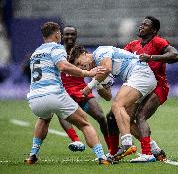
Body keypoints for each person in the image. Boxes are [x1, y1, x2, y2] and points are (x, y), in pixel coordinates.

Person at [24, 22, 111, 165]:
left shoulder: (36, 52)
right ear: (57, 34)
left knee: (44, 119)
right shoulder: (57, 48)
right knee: (84, 123)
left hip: (34, 98)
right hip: (54, 93)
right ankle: (102, 157)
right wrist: (86, 72)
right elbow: (63, 66)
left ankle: (32, 155)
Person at [107, 16, 178, 162]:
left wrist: (151, 57)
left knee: (141, 116)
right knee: (122, 118)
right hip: (139, 86)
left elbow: (175, 55)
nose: (141, 26)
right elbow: (119, 58)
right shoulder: (133, 45)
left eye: (146, 25)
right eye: (141, 24)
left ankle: (147, 154)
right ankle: (153, 149)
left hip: (158, 87)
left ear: (154, 30)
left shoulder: (158, 41)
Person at [69, 44, 157, 161]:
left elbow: (108, 68)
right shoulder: (97, 72)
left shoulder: (100, 52)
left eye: (79, 63)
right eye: (79, 67)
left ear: (84, 54)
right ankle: (153, 149)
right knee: (126, 120)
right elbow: (108, 96)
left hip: (141, 74)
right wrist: (99, 86)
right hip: (141, 78)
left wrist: (89, 87)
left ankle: (127, 144)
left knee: (118, 105)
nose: (82, 67)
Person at [57, 26, 113, 153]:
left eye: (72, 34)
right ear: (61, 36)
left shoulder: (82, 53)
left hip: (82, 90)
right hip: (64, 90)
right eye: (67, 34)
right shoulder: (57, 52)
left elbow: (93, 68)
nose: (69, 37)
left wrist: (101, 80)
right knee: (61, 113)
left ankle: (111, 148)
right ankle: (76, 140)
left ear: (76, 36)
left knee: (101, 117)